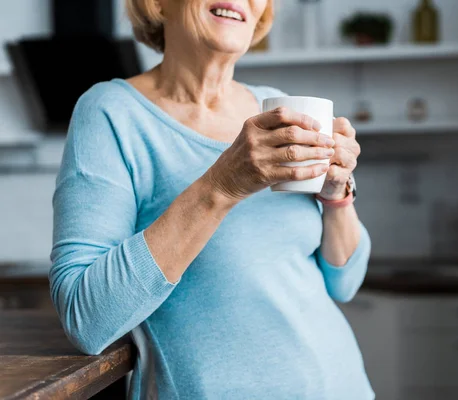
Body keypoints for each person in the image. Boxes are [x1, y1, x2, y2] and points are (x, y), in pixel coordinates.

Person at [49, 0, 374, 398]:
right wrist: (222, 185)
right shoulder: (111, 114)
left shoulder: (278, 109)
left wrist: (337, 193)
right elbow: (87, 319)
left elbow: (344, 282)